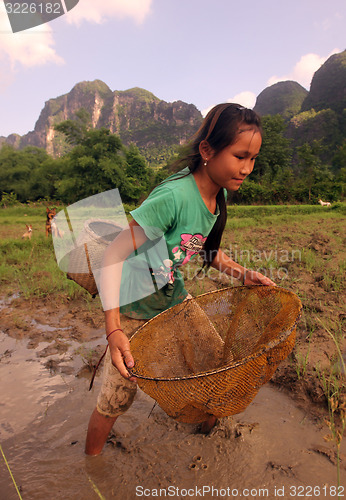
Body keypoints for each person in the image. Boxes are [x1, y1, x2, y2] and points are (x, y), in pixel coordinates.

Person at [85, 103, 275, 456]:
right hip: (133, 309)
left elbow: (206, 250)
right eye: (240, 156)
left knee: (217, 365)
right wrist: (114, 330)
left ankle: (206, 438)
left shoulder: (218, 196)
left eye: (253, 159)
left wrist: (245, 274)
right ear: (207, 150)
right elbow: (113, 255)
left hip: (174, 299)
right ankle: (91, 467)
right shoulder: (173, 197)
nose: (247, 169)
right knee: (117, 396)